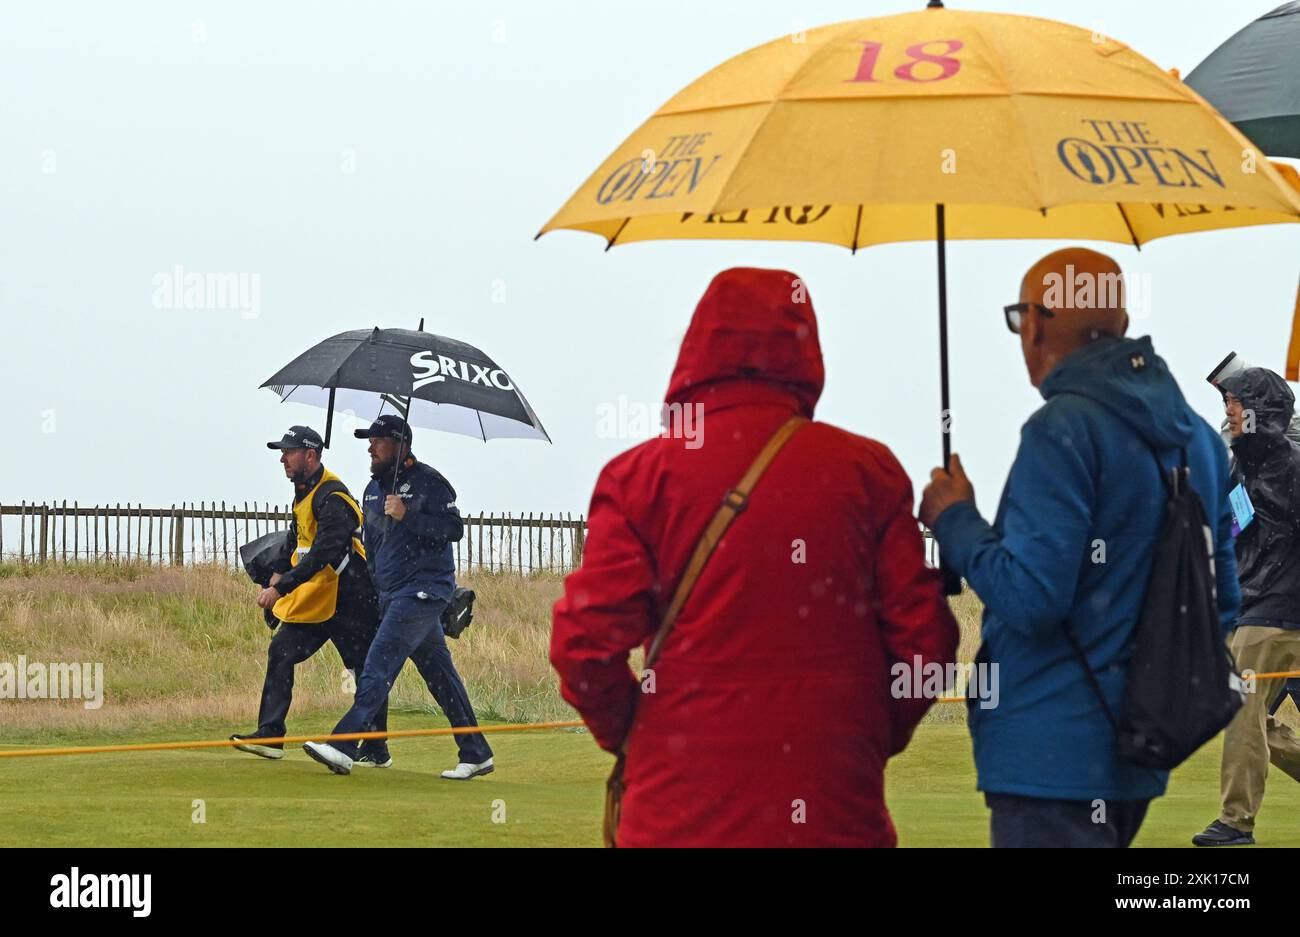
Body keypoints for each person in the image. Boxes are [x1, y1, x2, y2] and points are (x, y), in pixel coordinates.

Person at [550, 267, 959, 847]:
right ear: (806, 351)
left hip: (677, 816)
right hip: (834, 814)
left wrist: (635, 734)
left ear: (697, 347)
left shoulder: (639, 477)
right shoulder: (870, 474)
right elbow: (926, 645)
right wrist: (861, 738)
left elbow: (582, 644)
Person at [920, 247, 1241, 848]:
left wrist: (956, 521)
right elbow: (1222, 598)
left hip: (1047, 754)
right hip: (1141, 748)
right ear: (1119, 325)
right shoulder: (1198, 438)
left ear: (1035, 324)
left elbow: (1034, 599)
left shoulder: (1060, 430)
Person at [303, 415, 493, 779]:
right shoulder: (373, 490)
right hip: (392, 595)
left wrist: (407, 516)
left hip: (424, 591)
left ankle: (344, 744)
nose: (370, 447)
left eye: (377, 441)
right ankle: (476, 751)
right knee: (441, 677)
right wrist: (377, 589)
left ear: (400, 444)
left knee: (378, 665)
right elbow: (372, 546)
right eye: (369, 440)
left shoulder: (431, 483)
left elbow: (454, 530)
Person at [230, 426, 392, 766]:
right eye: (282, 452)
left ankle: (376, 748)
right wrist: (275, 579)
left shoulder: (333, 498)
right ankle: (271, 736)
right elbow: (296, 544)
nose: (282, 458)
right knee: (282, 651)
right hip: (319, 600)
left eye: (288, 452)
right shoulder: (304, 493)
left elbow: (324, 555)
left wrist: (281, 587)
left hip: (352, 600)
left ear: (311, 456)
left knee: (363, 670)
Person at [1193, 367, 1300, 846]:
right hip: (1256, 610)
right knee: (1245, 710)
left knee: (1240, 707)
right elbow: (1235, 536)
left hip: (1279, 611)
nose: (1228, 412)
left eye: (1235, 403)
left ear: (1262, 412)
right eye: (1226, 404)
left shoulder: (1289, 462)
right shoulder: (1239, 472)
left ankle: (1236, 823)